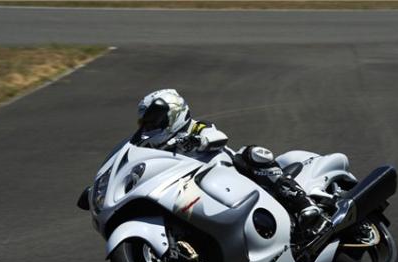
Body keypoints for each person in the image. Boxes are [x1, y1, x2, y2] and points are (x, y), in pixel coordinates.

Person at [134, 89, 322, 232]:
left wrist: (199, 140)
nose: (149, 126)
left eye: (154, 120)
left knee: (253, 154)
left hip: (233, 175)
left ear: (173, 114)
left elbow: (217, 136)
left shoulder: (195, 128)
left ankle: (303, 203)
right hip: (199, 194)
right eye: (146, 122)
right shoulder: (159, 149)